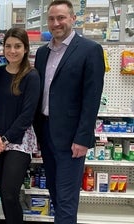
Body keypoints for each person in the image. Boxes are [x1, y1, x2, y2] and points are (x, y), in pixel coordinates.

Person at [34, 0, 105, 223]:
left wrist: (83, 138)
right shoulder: (42, 53)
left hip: (72, 139)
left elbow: (92, 99)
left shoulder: (90, 50)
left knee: (66, 199)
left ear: (73, 19)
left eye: (61, 18)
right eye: (52, 19)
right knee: (54, 192)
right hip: (46, 133)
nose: (56, 23)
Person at [0, 27, 40, 224]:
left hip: (19, 142)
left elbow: (27, 116)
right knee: (3, 193)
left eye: (17, 46)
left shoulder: (31, 76)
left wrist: (4, 139)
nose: (12, 50)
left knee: (10, 194)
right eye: (8, 46)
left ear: (26, 48)